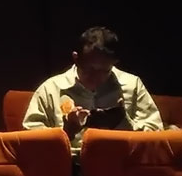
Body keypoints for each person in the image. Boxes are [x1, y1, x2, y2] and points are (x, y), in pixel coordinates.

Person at [21, 25, 162, 152]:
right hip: (69, 166)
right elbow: (29, 139)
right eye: (90, 70)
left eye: (105, 71)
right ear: (76, 58)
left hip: (121, 164)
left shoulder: (132, 85)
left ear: (114, 62)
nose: (96, 79)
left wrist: (123, 123)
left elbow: (157, 138)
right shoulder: (51, 89)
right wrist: (66, 133)